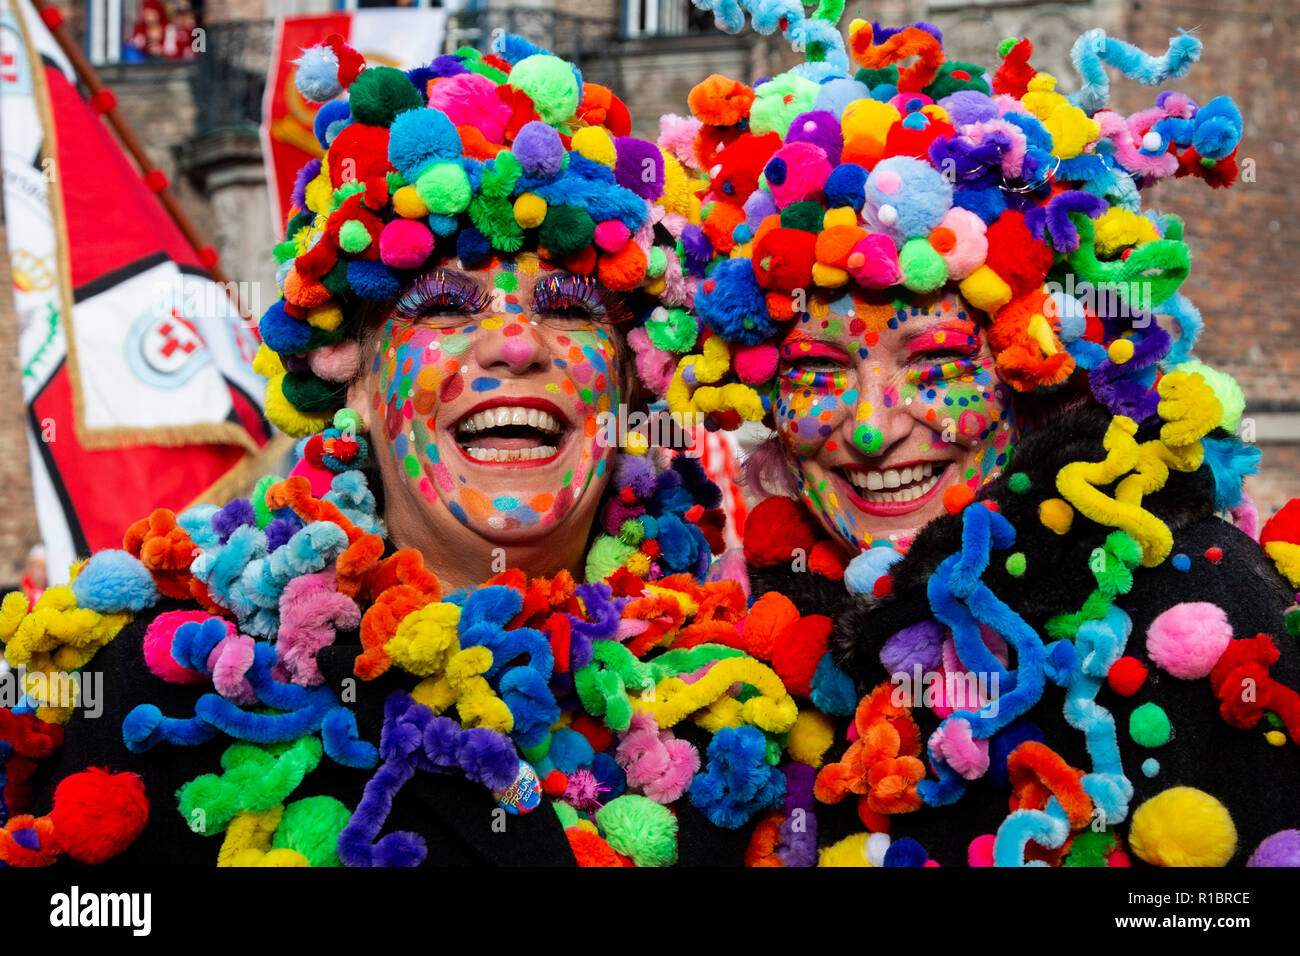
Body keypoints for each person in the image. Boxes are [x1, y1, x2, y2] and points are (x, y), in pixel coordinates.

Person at [641, 15, 1300, 865]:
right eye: (816, 370)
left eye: (938, 364)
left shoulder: (1190, 614)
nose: (874, 429)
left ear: (1035, 370)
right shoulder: (747, 644)